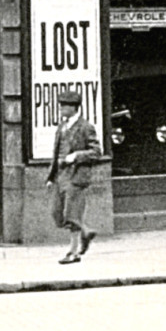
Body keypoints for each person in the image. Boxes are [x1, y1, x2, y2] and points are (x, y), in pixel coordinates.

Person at [46, 86, 109, 264]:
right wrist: (51, 177)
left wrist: (76, 156)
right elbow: (56, 152)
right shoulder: (62, 126)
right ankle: (86, 232)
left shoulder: (85, 127)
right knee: (56, 214)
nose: (62, 109)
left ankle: (73, 253)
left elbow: (97, 151)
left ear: (74, 107)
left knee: (71, 214)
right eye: (61, 105)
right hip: (60, 175)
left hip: (76, 176)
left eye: (65, 106)